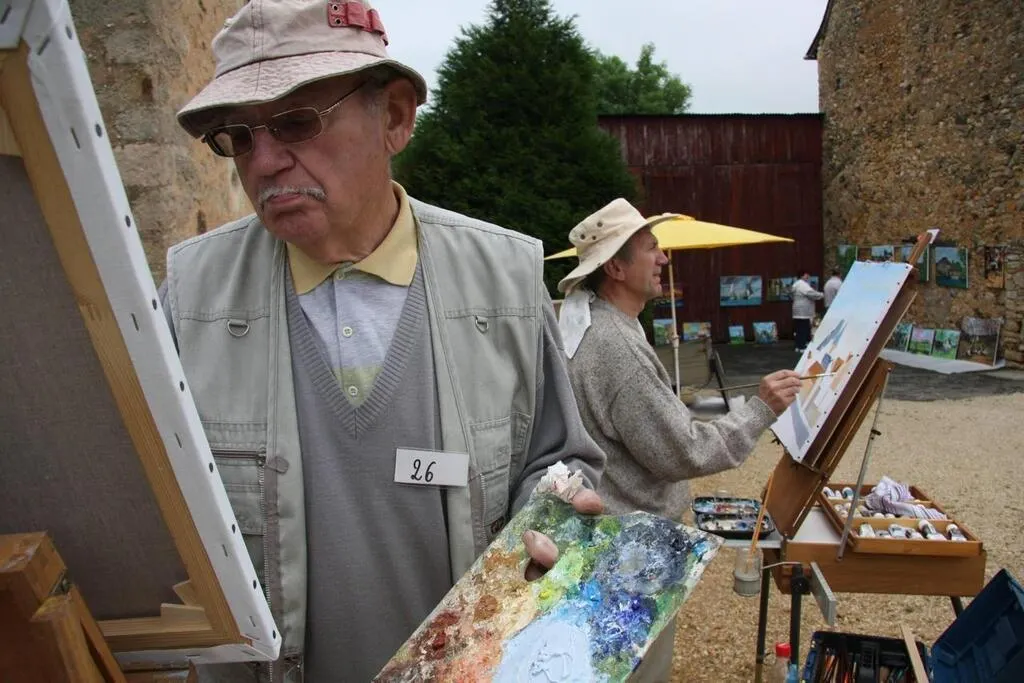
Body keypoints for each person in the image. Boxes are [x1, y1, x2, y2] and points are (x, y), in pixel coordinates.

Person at [160, 1, 605, 680]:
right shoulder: (191, 299)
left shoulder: (505, 279)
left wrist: (553, 521)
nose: (265, 161)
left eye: (296, 121)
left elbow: (561, 458)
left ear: (394, 116)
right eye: (239, 137)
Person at [556, 198, 804, 682]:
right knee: (638, 670)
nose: (664, 259)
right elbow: (684, 450)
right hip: (632, 548)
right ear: (615, 268)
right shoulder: (615, 346)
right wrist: (761, 409)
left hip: (612, 539)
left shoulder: (598, 321)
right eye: (652, 248)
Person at [792, 270, 824, 352]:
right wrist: (821, 295)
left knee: (799, 329)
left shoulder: (796, 284)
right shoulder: (802, 284)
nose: (808, 276)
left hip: (797, 310)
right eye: (806, 275)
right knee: (803, 329)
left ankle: (798, 346)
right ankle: (802, 346)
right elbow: (810, 293)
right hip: (803, 311)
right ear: (802, 276)